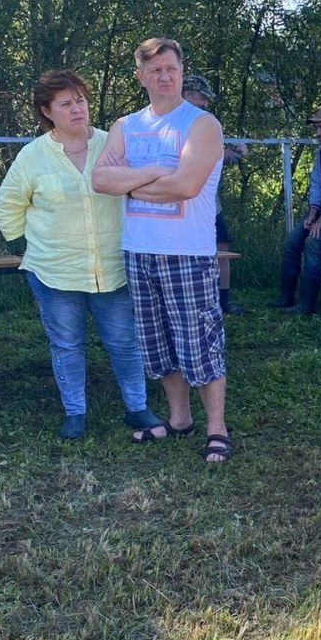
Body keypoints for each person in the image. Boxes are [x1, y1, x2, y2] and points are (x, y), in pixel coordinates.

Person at [0, 69, 163, 440]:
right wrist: (30, 245)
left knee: (124, 342)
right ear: (47, 111)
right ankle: (75, 414)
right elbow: (6, 207)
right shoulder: (32, 156)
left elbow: (139, 187)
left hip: (113, 267)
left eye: (80, 100)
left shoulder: (113, 146)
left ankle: (137, 408)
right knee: (67, 345)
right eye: (66, 104)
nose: (77, 109)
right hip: (55, 271)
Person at [92, 37, 232, 464]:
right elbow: (100, 180)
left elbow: (187, 185)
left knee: (200, 342)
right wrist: (156, 172)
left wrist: (130, 181)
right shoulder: (125, 126)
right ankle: (179, 419)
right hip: (139, 250)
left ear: (181, 71)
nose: (165, 77)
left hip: (187, 253)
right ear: (141, 76)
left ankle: (217, 428)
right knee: (157, 344)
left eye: (172, 69)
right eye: (155, 70)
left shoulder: (201, 124)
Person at [181, 73, 245, 316]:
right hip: (177, 202)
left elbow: (215, 157)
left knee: (222, 246)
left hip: (209, 203)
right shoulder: (169, 123)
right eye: (202, 97)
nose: (206, 103)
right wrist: (235, 154)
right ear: (187, 94)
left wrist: (234, 154)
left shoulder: (205, 123)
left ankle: (224, 298)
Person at [271, 108, 321, 315]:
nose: (318, 133)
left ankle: (307, 304)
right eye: (316, 128)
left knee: (313, 243)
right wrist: (313, 211)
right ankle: (286, 297)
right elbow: (316, 183)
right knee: (292, 242)